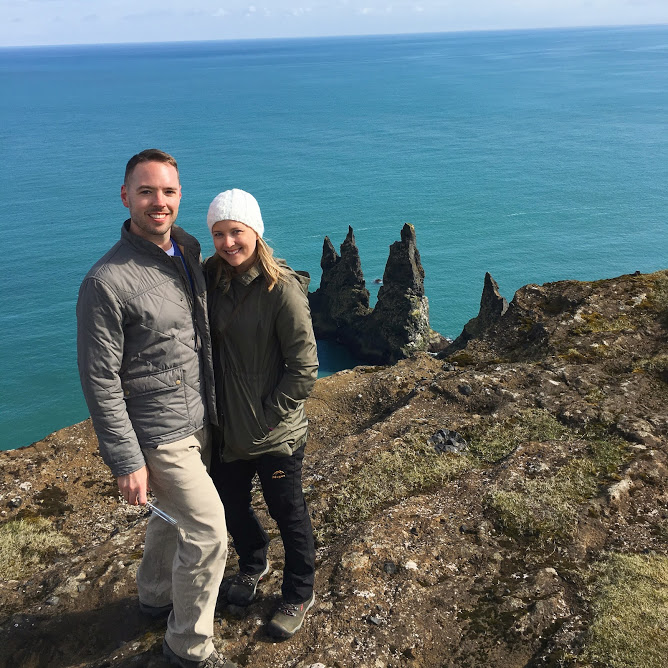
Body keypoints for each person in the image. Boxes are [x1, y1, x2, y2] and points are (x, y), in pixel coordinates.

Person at [77, 149, 236, 668]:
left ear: (179, 196)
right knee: (210, 531)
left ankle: (153, 595)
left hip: (197, 415)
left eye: (167, 192)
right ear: (125, 197)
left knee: (173, 520)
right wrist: (126, 460)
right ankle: (186, 648)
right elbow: (99, 379)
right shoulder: (106, 282)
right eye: (145, 192)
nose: (158, 202)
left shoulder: (187, 248)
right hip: (158, 433)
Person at [205, 189, 319, 639]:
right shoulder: (211, 279)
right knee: (231, 506)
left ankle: (299, 591)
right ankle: (254, 562)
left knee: (287, 511)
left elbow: (305, 366)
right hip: (228, 428)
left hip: (275, 432)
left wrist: (270, 416)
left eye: (236, 232)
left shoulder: (281, 289)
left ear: (255, 231)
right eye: (219, 234)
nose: (228, 242)